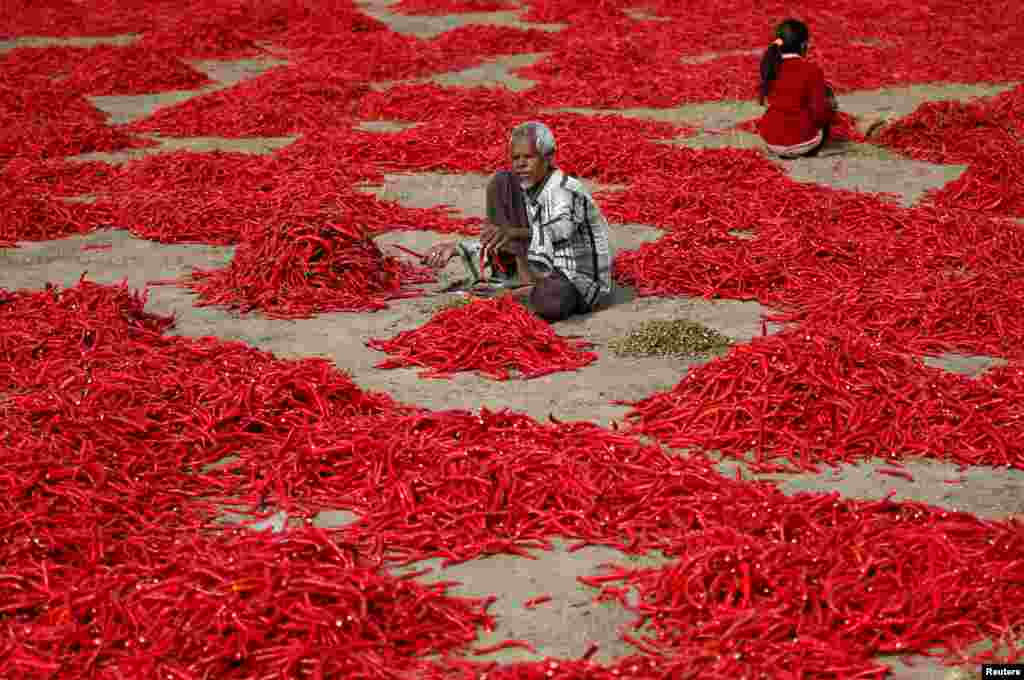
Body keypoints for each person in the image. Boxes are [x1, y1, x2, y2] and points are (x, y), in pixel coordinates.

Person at [424, 121, 612, 322]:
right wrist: (457, 248)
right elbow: (510, 234)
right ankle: (520, 286)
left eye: (528, 157)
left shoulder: (565, 189)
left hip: (576, 280)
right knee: (501, 181)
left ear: (548, 158)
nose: (520, 164)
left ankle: (514, 292)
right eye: (515, 158)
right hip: (541, 271)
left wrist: (512, 232)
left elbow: (560, 229)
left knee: (552, 298)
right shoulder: (524, 189)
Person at [756, 19, 838, 158]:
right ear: (804, 45)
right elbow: (819, 114)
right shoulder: (812, 70)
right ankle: (810, 148)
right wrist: (831, 110)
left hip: (770, 140)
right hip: (801, 143)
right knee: (827, 98)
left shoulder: (771, 66)